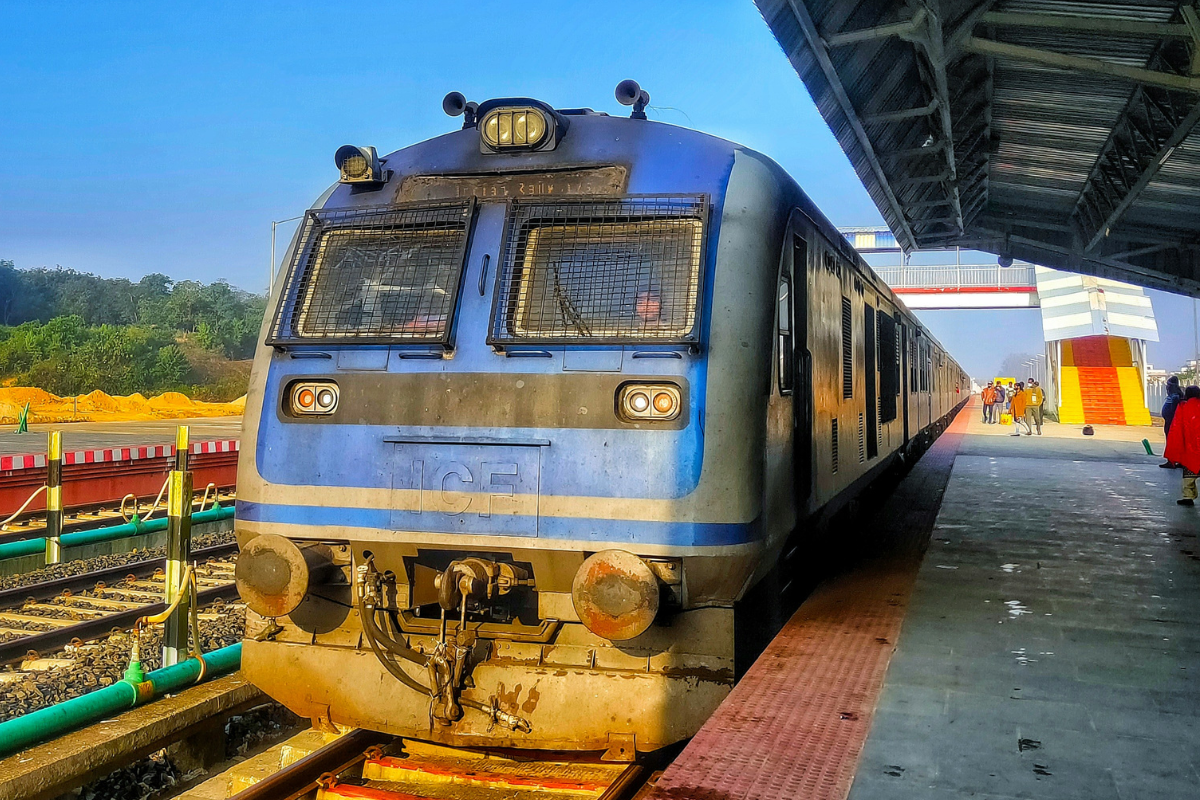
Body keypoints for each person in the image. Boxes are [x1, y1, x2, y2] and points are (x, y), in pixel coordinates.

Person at [1163, 385, 1200, 507]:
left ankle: (1188, 497)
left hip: (1190, 448)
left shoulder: (1184, 406)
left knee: (1189, 476)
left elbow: (1177, 427)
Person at [1160, 375, 1184, 468]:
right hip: (1169, 422)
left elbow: (1174, 411)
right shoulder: (1172, 396)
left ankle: (1171, 461)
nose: (1167, 387)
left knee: (1171, 442)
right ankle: (1175, 461)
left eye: (1168, 385)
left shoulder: (1175, 397)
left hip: (1172, 423)